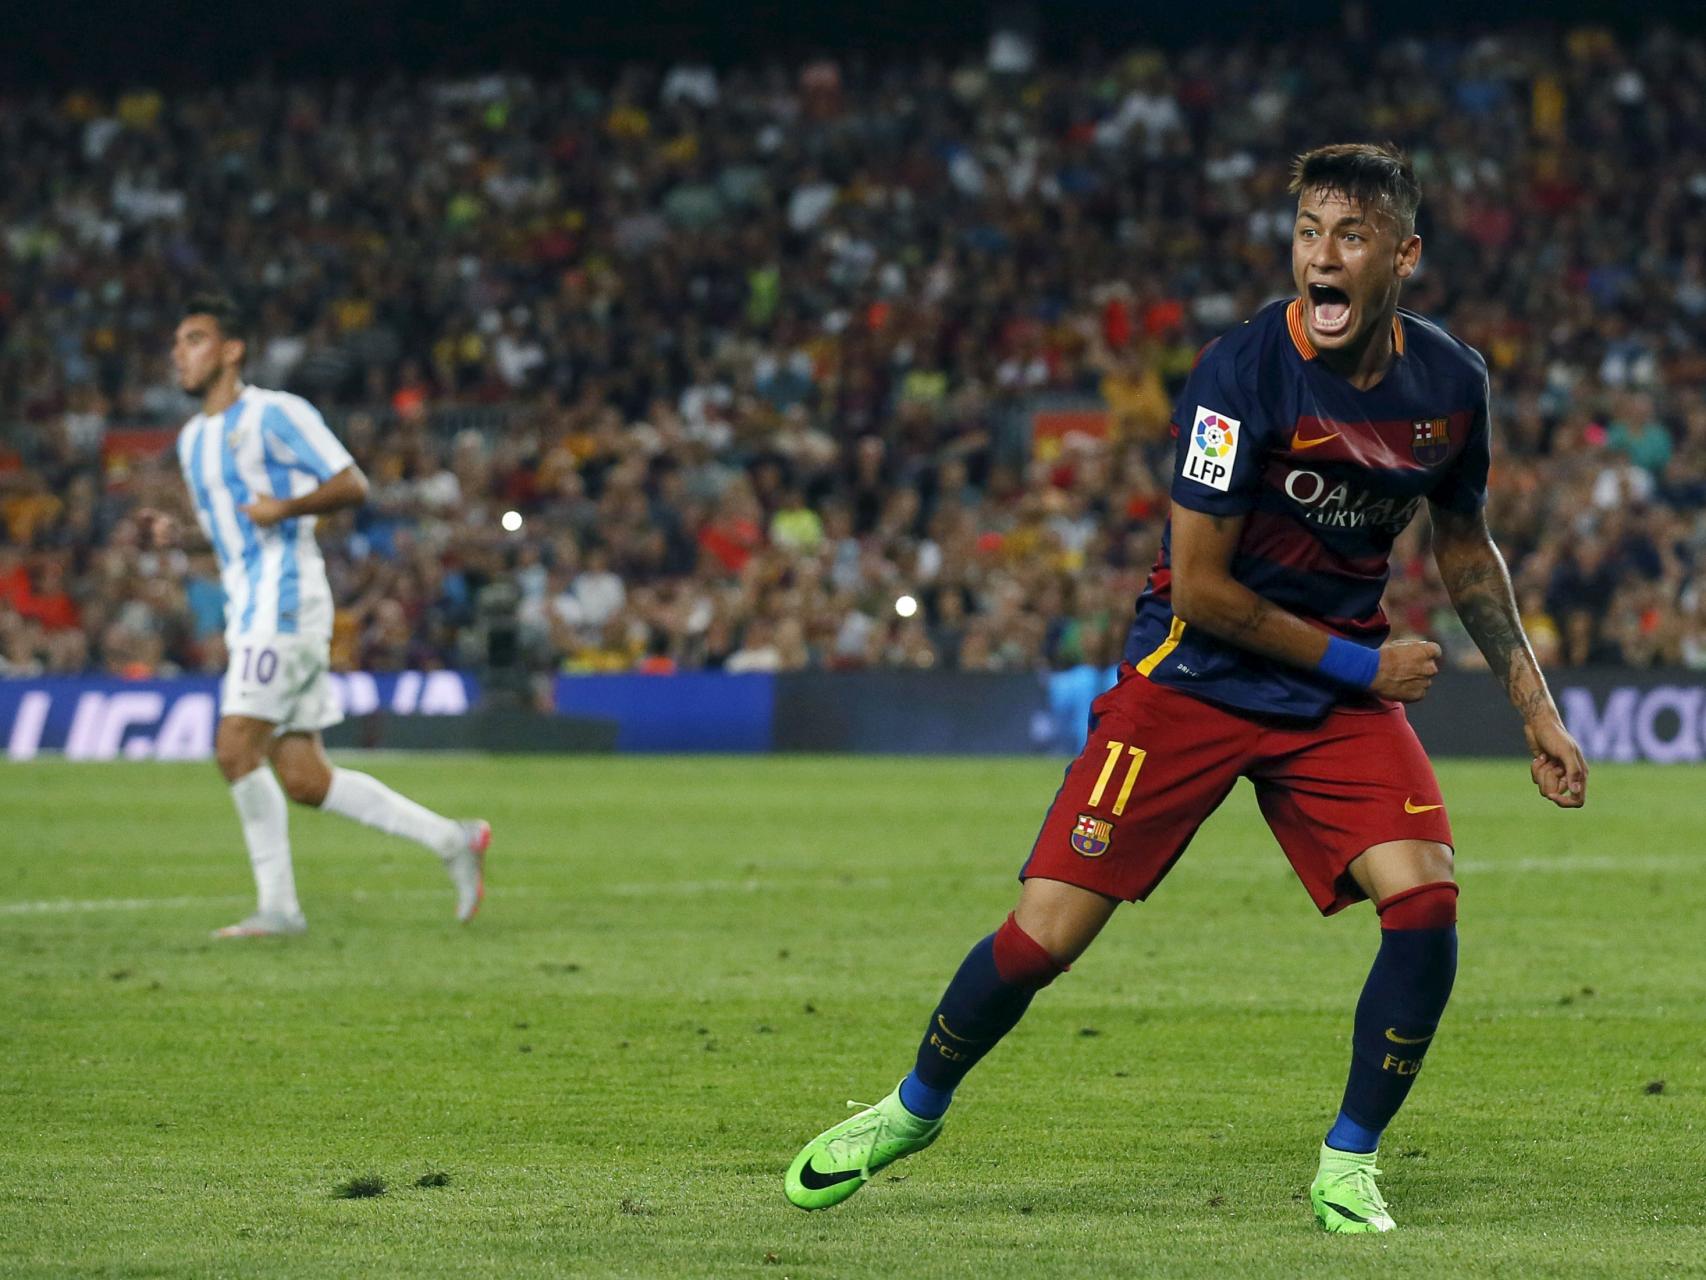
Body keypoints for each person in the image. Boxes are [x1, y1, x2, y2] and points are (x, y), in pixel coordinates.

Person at [783, 145, 1588, 1232]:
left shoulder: (1448, 385)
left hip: (1328, 698)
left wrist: (1532, 706)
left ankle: (1347, 1159)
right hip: (1195, 679)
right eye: (1307, 231)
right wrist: (1366, 666)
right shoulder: (1239, 373)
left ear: (1402, 255)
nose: (1321, 256)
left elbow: (1463, 546)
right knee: (1043, 934)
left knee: (1425, 899)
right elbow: (1203, 591)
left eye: (1348, 236)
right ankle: (911, 1106)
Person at [146, 295, 490, 939]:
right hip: (249, 607)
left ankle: (279, 910)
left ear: (231, 349)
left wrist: (289, 507)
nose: (179, 353)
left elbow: (352, 483)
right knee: (304, 777)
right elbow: (228, 534)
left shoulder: (277, 414)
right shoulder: (193, 441)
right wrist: (179, 537)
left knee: (233, 750)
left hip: (286, 603)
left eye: (193, 339)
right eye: (177, 342)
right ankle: (453, 839)